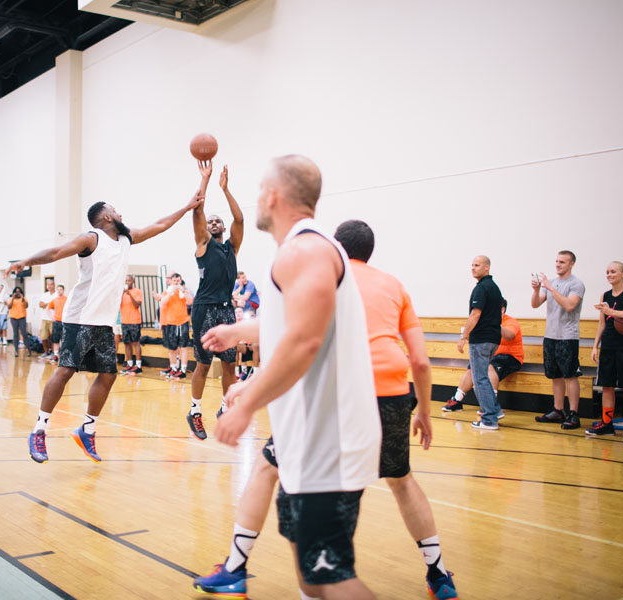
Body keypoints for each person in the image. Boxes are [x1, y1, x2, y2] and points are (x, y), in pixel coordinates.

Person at [194, 219, 457, 600]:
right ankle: (437, 574)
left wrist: (248, 372)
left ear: (335, 246)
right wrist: (424, 412)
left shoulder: (330, 275)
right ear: (370, 252)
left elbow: (295, 333)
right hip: (392, 394)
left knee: (269, 468)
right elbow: (419, 360)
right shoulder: (393, 285)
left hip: (342, 394)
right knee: (401, 479)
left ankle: (237, 568)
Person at [201, 155, 382, 600]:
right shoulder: (300, 251)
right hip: (308, 438)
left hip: (330, 440)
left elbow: (304, 341)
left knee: (330, 575)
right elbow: (291, 324)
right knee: (311, 575)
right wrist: (237, 331)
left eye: (260, 189)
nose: (259, 196)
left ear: (273, 195)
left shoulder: (306, 249)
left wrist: (245, 403)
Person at [6, 188, 204, 464]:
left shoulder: (126, 239)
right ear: (107, 216)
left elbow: (159, 225)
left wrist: (185, 208)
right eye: (116, 210)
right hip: (80, 317)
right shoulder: (92, 238)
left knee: (108, 375)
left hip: (103, 322)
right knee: (65, 371)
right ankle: (40, 429)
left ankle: (87, 429)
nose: (121, 213)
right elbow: (57, 252)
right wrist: (27, 261)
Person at [188, 161, 244, 441]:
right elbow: (197, 210)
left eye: (217, 221)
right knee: (203, 363)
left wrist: (226, 189)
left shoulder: (231, 247)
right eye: (210, 221)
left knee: (230, 364)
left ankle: (225, 408)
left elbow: (240, 220)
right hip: (204, 310)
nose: (213, 223)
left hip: (226, 310)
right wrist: (206, 181)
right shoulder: (203, 244)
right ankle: (195, 412)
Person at [586, 261, 623, 441]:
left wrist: (613, 311)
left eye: (613, 272)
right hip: (608, 347)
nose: (609, 274)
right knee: (607, 385)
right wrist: (595, 346)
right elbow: (602, 323)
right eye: (607, 272)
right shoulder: (604, 295)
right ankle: (606, 423)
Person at [442, 299, 523, 418]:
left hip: (511, 357)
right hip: (492, 355)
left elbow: (509, 335)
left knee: (490, 366)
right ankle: (457, 400)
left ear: (502, 309)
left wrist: (495, 324)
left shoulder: (510, 322)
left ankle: (491, 405)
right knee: (473, 367)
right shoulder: (485, 323)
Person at [532, 251, 585, 429]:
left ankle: (574, 413)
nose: (558, 264)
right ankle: (558, 409)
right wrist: (537, 289)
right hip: (550, 335)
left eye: (562, 262)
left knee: (570, 375)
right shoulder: (551, 283)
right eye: (556, 261)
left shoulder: (576, 284)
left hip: (567, 336)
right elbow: (535, 304)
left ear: (571, 264)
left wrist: (551, 288)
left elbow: (569, 305)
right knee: (555, 375)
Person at [457, 256, 503, 430]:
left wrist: (464, 337)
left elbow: (475, 315)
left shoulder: (482, 288)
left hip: (481, 339)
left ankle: (489, 419)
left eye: (477, 265)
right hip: (493, 339)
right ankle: (495, 410)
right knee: (482, 376)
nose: (473, 268)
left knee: (480, 378)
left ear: (487, 267)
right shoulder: (494, 288)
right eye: (472, 265)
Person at [157, 273, 193, 379]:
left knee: (183, 347)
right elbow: (163, 302)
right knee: (172, 348)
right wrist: (171, 291)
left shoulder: (184, 291)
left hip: (183, 322)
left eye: (178, 280)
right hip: (171, 323)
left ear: (180, 281)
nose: (176, 282)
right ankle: (173, 368)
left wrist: (181, 290)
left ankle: (182, 370)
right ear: (171, 281)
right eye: (174, 281)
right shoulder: (167, 291)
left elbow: (190, 301)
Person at [119, 275, 144, 374]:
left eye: (129, 280)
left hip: (134, 321)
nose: (127, 282)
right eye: (125, 280)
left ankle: (138, 365)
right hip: (124, 321)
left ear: (132, 281)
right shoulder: (121, 293)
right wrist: (121, 294)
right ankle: (129, 364)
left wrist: (130, 294)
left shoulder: (137, 291)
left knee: (136, 343)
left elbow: (137, 305)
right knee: (126, 344)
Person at [6, 286, 30, 357]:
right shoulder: (11, 299)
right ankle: (16, 350)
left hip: (22, 317)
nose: (17, 293)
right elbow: (9, 307)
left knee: (24, 333)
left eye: (19, 292)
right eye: (16, 292)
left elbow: (26, 306)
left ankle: (28, 349)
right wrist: (13, 298)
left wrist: (22, 298)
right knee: (15, 334)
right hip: (13, 318)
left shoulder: (24, 299)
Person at [37, 278, 56, 360]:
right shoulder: (44, 295)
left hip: (53, 319)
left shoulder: (57, 295)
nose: (50, 286)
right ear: (47, 286)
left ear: (54, 285)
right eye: (49, 285)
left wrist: (47, 304)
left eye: (52, 284)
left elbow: (56, 305)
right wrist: (50, 303)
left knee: (53, 337)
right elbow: (41, 305)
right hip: (44, 318)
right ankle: (46, 352)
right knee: (43, 336)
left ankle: (53, 352)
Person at [47, 285, 67, 360]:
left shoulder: (67, 299)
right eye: (58, 290)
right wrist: (51, 317)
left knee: (64, 339)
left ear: (63, 290)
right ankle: (55, 355)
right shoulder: (54, 300)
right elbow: (48, 308)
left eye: (61, 289)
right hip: (56, 322)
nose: (59, 291)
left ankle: (64, 355)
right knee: (55, 339)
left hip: (64, 322)